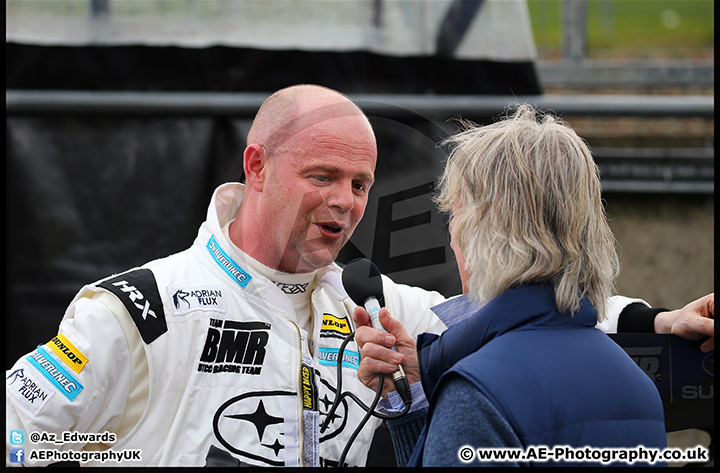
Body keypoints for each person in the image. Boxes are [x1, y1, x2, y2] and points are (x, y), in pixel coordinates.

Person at [5, 85, 713, 468]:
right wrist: (115, 450)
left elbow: (515, 308)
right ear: (256, 168)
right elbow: (23, 433)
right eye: (323, 176)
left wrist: (653, 320)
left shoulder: (370, 299)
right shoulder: (142, 306)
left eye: (361, 183)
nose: (346, 200)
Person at [352, 105, 711, 467]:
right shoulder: (636, 385)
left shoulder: (477, 393)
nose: (450, 238)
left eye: (455, 214)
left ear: (482, 234)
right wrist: (413, 394)